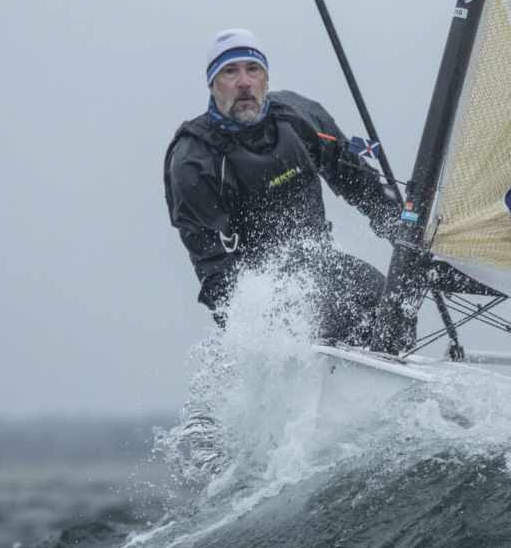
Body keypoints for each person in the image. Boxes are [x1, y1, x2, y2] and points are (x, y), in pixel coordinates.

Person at [164, 29, 402, 344]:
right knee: (331, 316)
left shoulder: (301, 117)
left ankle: (386, 374)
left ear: (266, 79)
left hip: (320, 263)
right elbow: (213, 263)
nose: (244, 82)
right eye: (230, 72)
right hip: (261, 291)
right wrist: (247, 333)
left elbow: (359, 182)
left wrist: (399, 225)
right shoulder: (193, 160)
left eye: (253, 69)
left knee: (389, 305)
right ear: (212, 84)